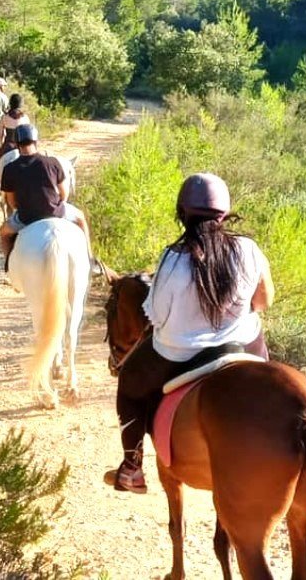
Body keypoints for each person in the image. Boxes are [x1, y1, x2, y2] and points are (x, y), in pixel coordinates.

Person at [104, 173, 275, 494]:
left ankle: (132, 467)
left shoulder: (172, 258)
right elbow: (264, 300)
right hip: (243, 346)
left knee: (128, 384)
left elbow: (154, 315)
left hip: (180, 353)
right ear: (224, 213)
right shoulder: (249, 249)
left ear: (182, 213)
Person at [0, 124, 103, 275]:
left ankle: (9, 267)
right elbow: (64, 195)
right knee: (81, 219)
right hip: (56, 212)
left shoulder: (9, 169)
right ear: (36, 141)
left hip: (26, 217)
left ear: (16, 144)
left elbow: (12, 202)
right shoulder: (53, 162)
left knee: (4, 232)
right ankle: (90, 261)